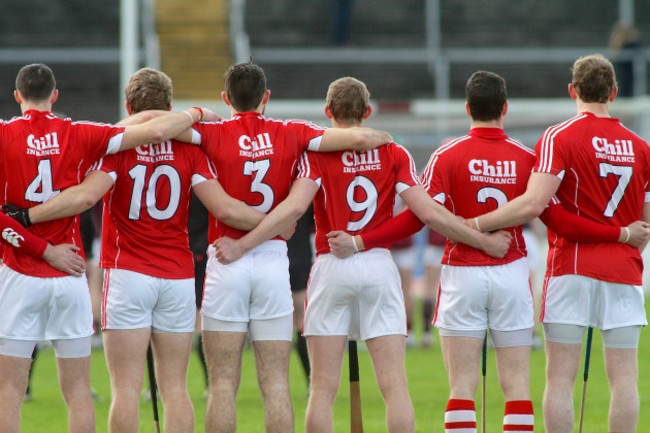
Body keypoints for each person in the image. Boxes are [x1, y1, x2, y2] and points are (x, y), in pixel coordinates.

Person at [326, 70, 649, 433]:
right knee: (518, 389)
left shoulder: (447, 155)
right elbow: (550, 212)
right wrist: (620, 233)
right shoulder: (528, 158)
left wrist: (468, 229)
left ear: (467, 108)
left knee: (462, 388)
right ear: (505, 109)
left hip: (463, 271)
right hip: (512, 270)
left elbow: (423, 215)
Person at [211, 76, 514, 433]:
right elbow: (428, 214)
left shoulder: (317, 154)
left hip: (331, 264)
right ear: (368, 112)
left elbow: (293, 209)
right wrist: (482, 240)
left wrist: (246, 243)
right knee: (395, 386)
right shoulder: (394, 152)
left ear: (327, 112)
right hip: (377, 265)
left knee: (322, 389)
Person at [14, 67, 269, 433]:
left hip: (127, 272)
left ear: (128, 105)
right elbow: (226, 209)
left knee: (126, 390)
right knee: (175, 389)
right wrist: (273, 222)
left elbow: (85, 196)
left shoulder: (118, 148)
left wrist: (29, 216)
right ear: (169, 105)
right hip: (177, 276)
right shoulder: (189, 149)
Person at [189, 62, 398, 433]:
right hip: (272, 263)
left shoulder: (210, 133)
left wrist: (196, 113)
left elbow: (154, 131)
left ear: (226, 99)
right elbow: (361, 139)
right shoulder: (292, 131)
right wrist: (277, 225)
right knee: (276, 385)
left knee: (222, 385)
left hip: (226, 257)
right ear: (266, 98)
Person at [468, 55, 650, 433]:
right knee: (624, 379)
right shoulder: (641, 147)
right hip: (625, 270)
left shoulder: (559, 136)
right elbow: (644, 225)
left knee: (561, 379)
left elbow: (538, 206)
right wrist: (622, 242)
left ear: (572, 91)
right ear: (614, 93)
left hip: (572, 268)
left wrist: (475, 224)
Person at [287, 204, 315, 390]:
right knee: (302, 322)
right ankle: (310, 382)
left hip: (272, 255)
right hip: (299, 257)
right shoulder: (304, 184)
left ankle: (310, 381)